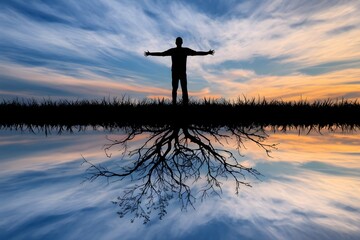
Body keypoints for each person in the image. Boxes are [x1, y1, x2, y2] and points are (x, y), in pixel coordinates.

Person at [145, 37, 214, 105]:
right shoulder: (182, 50)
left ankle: (179, 103)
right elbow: (162, 54)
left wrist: (207, 52)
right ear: (181, 43)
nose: (178, 43)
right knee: (179, 88)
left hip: (179, 72)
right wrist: (207, 52)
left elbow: (162, 54)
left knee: (178, 88)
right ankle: (180, 103)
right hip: (178, 72)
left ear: (176, 43)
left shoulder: (177, 50)